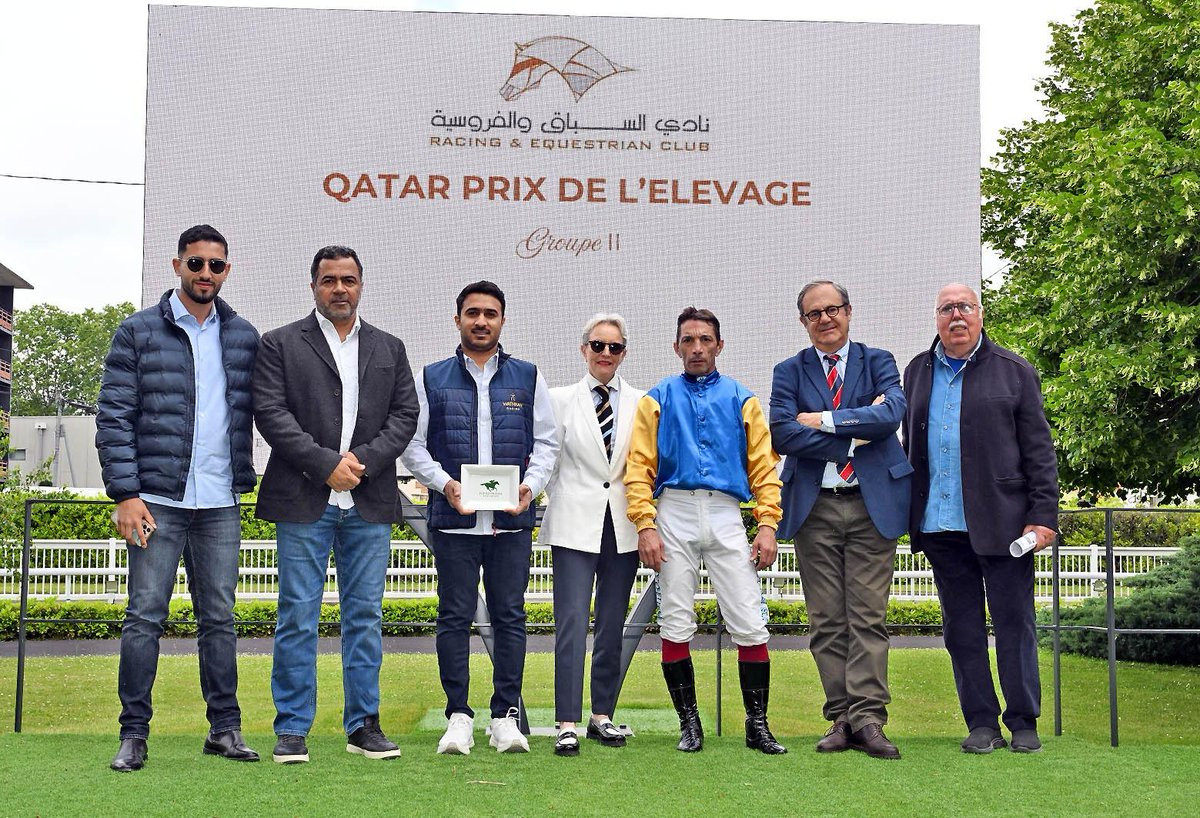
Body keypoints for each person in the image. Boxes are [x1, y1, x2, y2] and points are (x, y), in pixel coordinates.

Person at [96, 224, 260, 772]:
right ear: (177, 266)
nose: (205, 273)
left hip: (219, 502)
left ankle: (225, 730)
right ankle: (133, 734)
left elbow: (268, 410)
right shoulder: (137, 331)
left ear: (227, 270)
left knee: (220, 619)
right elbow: (114, 416)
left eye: (216, 265)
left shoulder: (243, 336)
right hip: (156, 501)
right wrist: (125, 494)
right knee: (144, 616)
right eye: (195, 263)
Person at [254, 245, 418, 764]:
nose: (339, 289)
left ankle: (363, 725)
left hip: (367, 500)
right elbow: (271, 412)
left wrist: (361, 463)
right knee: (298, 616)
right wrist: (325, 464)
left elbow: (404, 415)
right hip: (304, 497)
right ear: (314, 287)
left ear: (361, 285)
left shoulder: (389, 347)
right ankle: (292, 728)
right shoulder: (280, 343)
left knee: (364, 617)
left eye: (348, 280)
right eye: (329, 280)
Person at [401, 280, 558, 754]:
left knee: (510, 616)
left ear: (502, 320)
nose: (481, 321)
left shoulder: (528, 377)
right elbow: (413, 445)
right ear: (458, 320)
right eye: (473, 313)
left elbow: (547, 443)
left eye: (490, 313)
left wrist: (530, 487)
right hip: (455, 521)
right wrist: (445, 484)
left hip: (510, 522)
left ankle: (504, 717)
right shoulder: (432, 377)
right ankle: (458, 716)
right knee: (453, 617)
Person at [902, 282, 1059, 754]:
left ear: (980, 314)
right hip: (940, 524)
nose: (956, 316)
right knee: (962, 630)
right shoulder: (917, 371)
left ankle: (1023, 720)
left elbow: (1039, 451)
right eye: (947, 309)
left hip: (1005, 525)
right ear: (936, 318)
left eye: (965, 307)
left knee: (1015, 624)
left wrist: (1042, 515)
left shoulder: (1015, 371)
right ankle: (981, 723)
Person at [625, 306, 786, 755]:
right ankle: (689, 724)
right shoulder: (656, 398)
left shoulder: (743, 399)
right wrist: (645, 524)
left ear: (719, 345)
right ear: (676, 347)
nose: (697, 348)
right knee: (675, 620)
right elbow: (639, 467)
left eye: (705, 340)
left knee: (749, 622)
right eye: (688, 340)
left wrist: (767, 524)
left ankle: (757, 725)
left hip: (726, 512)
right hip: (673, 510)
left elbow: (764, 468)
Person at [769, 281, 911, 760]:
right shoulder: (789, 371)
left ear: (848, 312)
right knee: (827, 620)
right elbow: (783, 434)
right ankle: (842, 718)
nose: (825, 319)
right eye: (814, 313)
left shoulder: (879, 361)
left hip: (873, 504)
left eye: (833, 309)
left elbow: (890, 416)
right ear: (803, 321)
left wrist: (823, 420)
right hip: (815, 508)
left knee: (868, 617)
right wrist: (854, 434)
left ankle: (868, 719)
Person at [540, 314, 645, 756]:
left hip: (622, 526)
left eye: (614, 347)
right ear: (583, 349)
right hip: (573, 524)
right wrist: (558, 497)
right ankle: (566, 721)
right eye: (598, 345)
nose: (605, 353)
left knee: (611, 624)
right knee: (570, 622)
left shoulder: (643, 402)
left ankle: (602, 715)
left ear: (624, 353)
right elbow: (546, 460)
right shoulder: (557, 399)